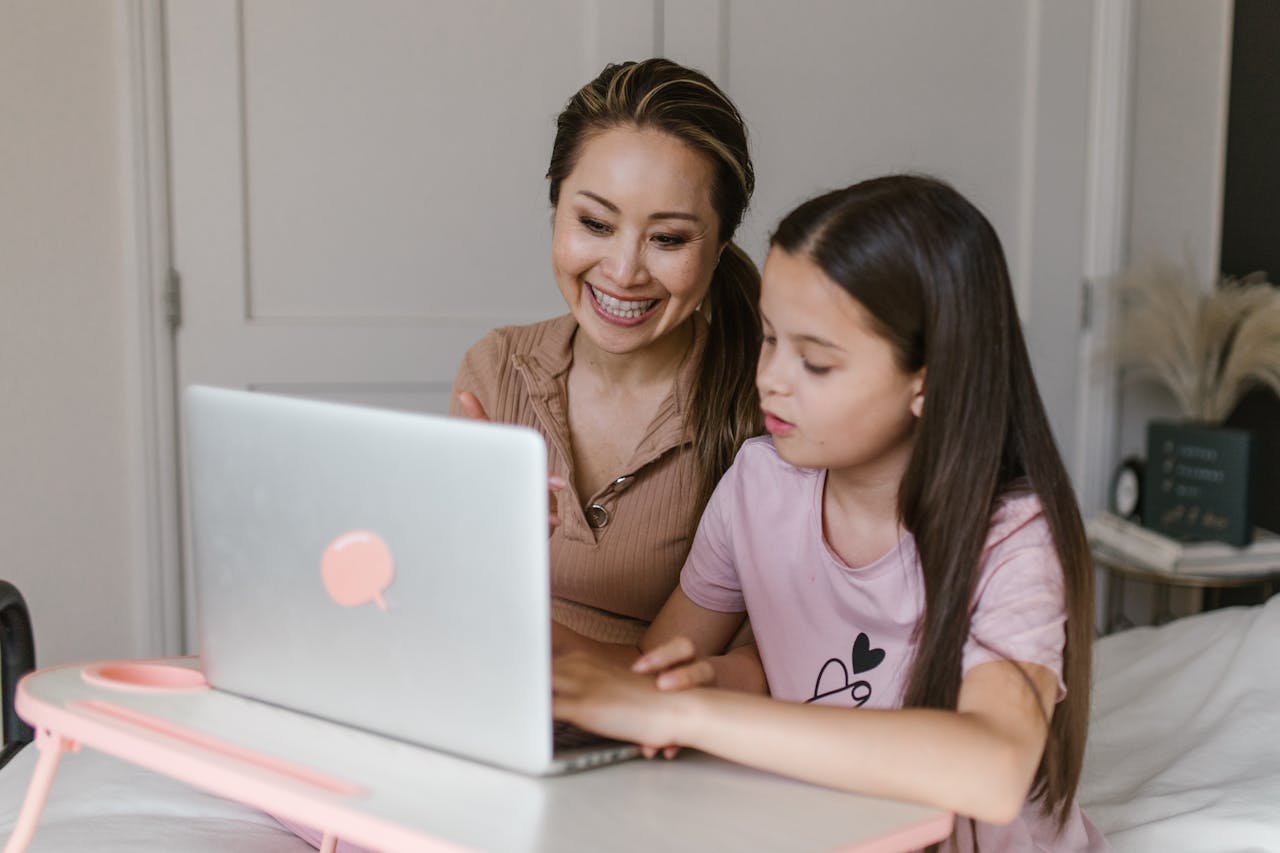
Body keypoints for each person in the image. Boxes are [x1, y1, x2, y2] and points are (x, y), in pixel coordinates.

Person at [553, 175, 1107, 850]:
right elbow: (657, 663)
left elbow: (994, 768)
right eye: (767, 339)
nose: (771, 379)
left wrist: (693, 711)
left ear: (926, 380)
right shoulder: (758, 486)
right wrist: (511, 586)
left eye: (815, 361)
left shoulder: (1013, 537)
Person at [452, 58, 762, 650]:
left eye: (668, 238)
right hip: (494, 690)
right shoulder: (494, 370)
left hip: (656, 724)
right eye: (595, 223)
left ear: (720, 247)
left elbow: (750, 671)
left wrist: (550, 654)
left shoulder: (762, 407)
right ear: (555, 208)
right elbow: (457, 599)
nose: (623, 273)